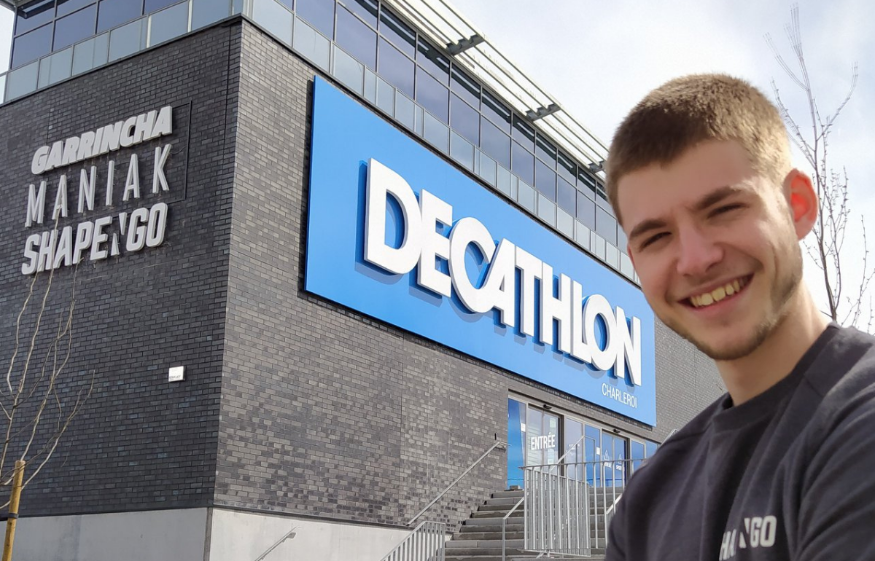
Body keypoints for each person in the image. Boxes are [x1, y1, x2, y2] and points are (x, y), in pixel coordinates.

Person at [604, 74, 875, 561]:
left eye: (724, 209)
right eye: (656, 237)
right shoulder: (646, 503)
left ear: (797, 206)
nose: (695, 260)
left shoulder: (861, 419)